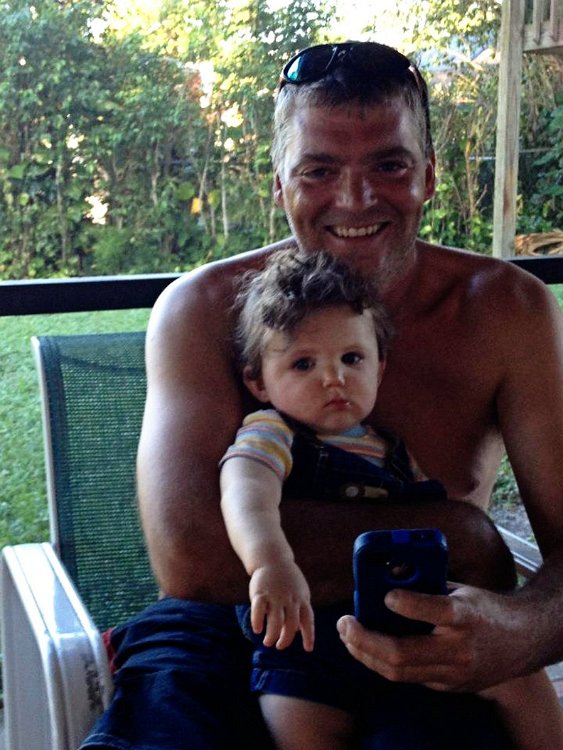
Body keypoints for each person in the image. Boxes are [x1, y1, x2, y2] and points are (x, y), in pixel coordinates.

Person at [80, 41, 563, 750]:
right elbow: (192, 557)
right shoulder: (203, 309)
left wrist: (518, 630)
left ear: (429, 175)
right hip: (224, 624)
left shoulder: (503, 311)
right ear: (280, 184)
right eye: (319, 170)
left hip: (414, 625)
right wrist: (463, 536)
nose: (355, 198)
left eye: (389, 165)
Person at [220, 247, 563, 750]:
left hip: (407, 625)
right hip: (305, 638)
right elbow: (245, 491)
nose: (334, 378)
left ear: (379, 368)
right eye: (303, 363)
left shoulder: (391, 450)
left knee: (520, 680)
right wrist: (269, 563)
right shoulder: (273, 432)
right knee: (296, 722)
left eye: (352, 359)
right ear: (258, 382)